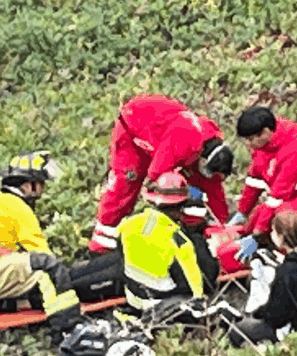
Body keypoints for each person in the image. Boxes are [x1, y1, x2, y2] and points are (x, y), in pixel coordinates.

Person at [0, 151, 83, 342]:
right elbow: (41, 253)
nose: (42, 189)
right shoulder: (19, 208)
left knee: (35, 273)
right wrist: (64, 275)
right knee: (47, 268)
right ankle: (65, 325)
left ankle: (6, 304)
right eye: (40, 184)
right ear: (27, 185)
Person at [89, 94, 234, 253]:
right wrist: (186, 192)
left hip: (162, 131)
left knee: (194, 188)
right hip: (134, 127)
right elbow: (156, 176)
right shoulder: (184, 142)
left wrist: (222, 228)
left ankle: (193, 234)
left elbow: (213, 189)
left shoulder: (208, 148)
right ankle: (101, 244)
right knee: (126, 185)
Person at [231, 106, 297, 260]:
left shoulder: (296, 151)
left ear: (265, 132)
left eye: (250, 139)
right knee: (255, 218)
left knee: (280, 219)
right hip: (284, 197)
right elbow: (254, 182)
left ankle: (287, 256)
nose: (248, 145)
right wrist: (242, 213)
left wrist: (256, 236)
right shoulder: (262, 148)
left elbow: (278, 197)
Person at [227, 209, 297, 347]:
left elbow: (276, 317)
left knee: (239, 330)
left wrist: (256, 313)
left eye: (273, 232)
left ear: (281, 237)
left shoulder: (286, 271)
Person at [115, 171, 219, 315]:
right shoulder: (177, 237)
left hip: (133, 294)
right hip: (159, 296)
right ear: (179, 208)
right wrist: (199, 298)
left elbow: (118, 244)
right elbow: (194, 276)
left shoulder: (130, 222)